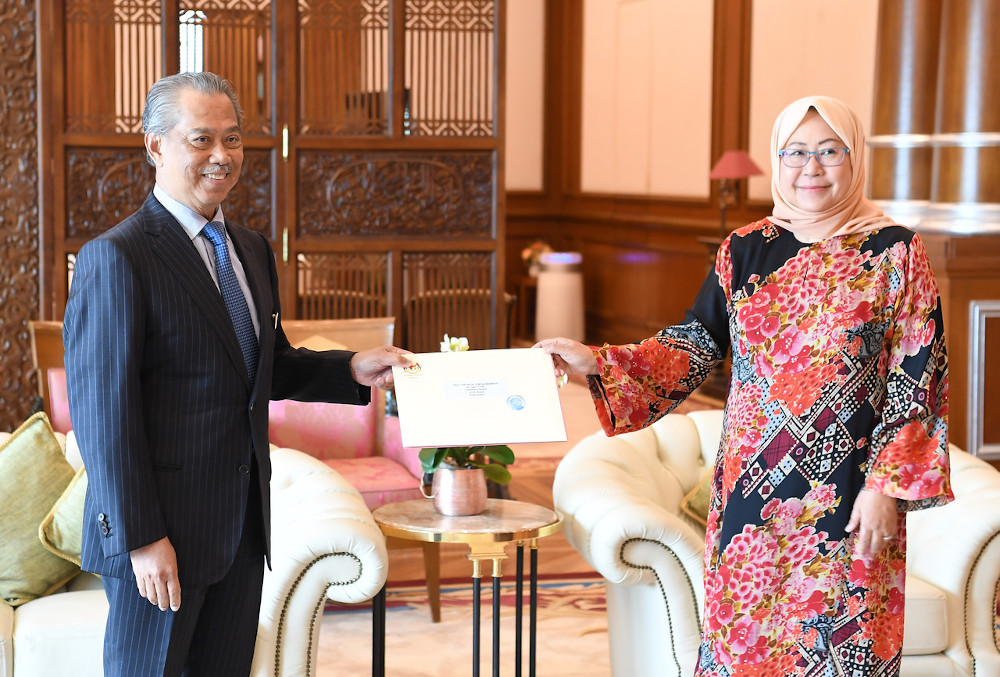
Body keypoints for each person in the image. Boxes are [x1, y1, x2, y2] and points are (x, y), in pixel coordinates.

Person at [536, 95, 951, 676]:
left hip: (850, 493)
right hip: (752, 491)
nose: (812, 166)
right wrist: (597, 362)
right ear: (777, 161)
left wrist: (886, 487)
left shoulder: (896, 251)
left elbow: (919, 374)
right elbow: (693, 344)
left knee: (845, 645)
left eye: (830, 151)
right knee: (746, 645)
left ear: (854, 159)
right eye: (796, 152)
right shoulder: (745, 249)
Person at [63, 71, 412, 677]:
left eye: (233, 139)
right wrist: (142, 539)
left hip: (241, 531)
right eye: (201, 140)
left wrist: (354, 367)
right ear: (155, 147)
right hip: (162, 538)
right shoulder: (117, 256)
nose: (221, 157)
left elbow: (262, 366)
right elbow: (104, 418)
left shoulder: (249, 248)